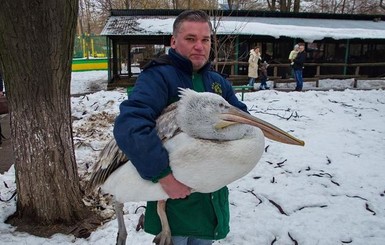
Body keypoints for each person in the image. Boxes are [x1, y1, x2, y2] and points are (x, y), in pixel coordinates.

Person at [113, 10, 248, 245]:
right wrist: (163, 177)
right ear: (173, 42)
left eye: (205, 40)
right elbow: (131, 126)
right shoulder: (158, 77)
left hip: (211, 203)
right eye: (190, 39)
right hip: (173, 200)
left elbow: (243, 123)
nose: (200, 46)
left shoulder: (217, 83)